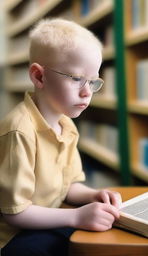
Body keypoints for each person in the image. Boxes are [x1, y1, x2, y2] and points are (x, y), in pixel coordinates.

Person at [0, 18, 122, 256]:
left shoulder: (66, 125)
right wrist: (76, 215)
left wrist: (92, 195)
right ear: (39, 77)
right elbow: (15, 213)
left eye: (93, 81)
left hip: (51, 220)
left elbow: (67, 187)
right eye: (76, 78)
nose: (87, 92)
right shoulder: (20, 132)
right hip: (13, 237)